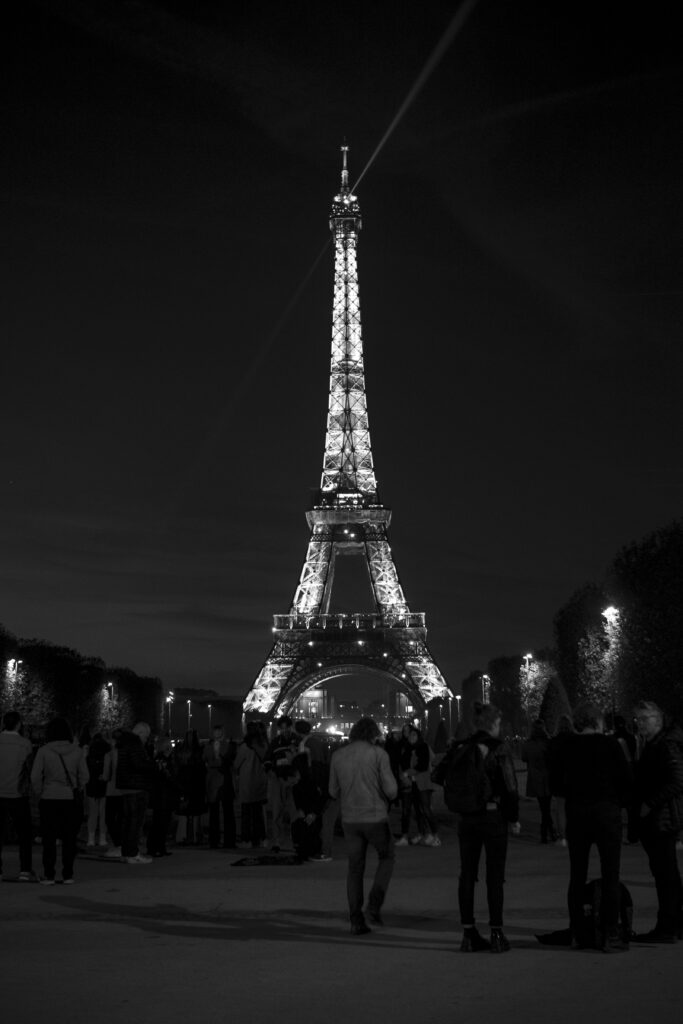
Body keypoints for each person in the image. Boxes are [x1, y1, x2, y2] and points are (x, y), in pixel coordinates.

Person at [550, 702, 633, 953]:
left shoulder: (565, 747)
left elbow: (557, 786)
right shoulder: (611, 745)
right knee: (611, 874)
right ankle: (610, 932)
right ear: (598, 723)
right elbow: (626, 783)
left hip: (577, 814)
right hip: (607, 813)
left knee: (577, 875)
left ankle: (578, 931)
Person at [454, 701, 520, 953]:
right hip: (493, 818)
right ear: (493, 723)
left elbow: (441, 776)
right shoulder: (498, 748)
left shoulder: (462, 747)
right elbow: (510, 787)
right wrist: (513, 818)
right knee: (495, 876)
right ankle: (496, 933)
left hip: (467, 819)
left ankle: (468, 934)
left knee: (467, 875)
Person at [328, 716, 397, 935]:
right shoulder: (378, 754)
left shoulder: (338, 755)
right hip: (375, 817)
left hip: (350, 819)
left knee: (355, 868)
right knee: (387, 857)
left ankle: (356, 920)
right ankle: (374, 906)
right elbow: (392, 790)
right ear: (373, 734)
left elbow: (332, 791)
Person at [631, 700, 683, 943]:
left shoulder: (665, 745)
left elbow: (677, 780)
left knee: (666, 876)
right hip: (657, 818)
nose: (639, 723)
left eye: (644, 719)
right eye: (638, 719)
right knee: (666, 874)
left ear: (658, 720)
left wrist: (649, 803)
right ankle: (673, 924)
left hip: (661, 819)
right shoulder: (654, 744)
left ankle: (667, 927)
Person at [30, 717, 89, 884]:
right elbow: (85, 776)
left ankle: (49, 874)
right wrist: (76, 786)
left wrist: (41, 791)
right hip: (69, 798)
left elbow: (35, 776)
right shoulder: (77, 751)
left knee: (49, 838)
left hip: (49, 797)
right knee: (69, 838)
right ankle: (68, 874)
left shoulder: (44, 751)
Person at [116, 722, 157, 864]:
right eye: (145, 737)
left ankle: (126, 852)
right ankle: (132, 853)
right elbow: (138, 764)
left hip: (126, 786)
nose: (146, 740)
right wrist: (153, 764)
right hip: (136, 786)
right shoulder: (134, 744)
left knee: (128, 821)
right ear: (140, 734)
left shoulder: (123, 743)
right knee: (135, 822)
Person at [0, 710, 34, 882]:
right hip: (18, 793)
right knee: (24, 834)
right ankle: (25, 870)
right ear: (19, 724)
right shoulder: (25, 744)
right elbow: (28, 769)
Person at [396, 726, 440, 847]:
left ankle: (435, 835)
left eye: (414, 735)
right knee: (419, 810)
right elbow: (403, 762)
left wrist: (407, 773)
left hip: (423, 784)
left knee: (426, 809)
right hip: (414, 784)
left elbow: (422, 765)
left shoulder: (423, 747)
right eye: (411, 736)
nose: (412, 737)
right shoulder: (408, 749)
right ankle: (423, 834)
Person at [264, 716, 299, 852]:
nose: (284, 731)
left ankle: (295, 841)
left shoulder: (297, 741)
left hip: (293, 781)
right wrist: (271, 772)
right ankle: (278, 842)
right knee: (277, 812)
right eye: (282, 728)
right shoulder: (275, 742)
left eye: (287, 728)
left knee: (294, 812)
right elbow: (267, 760)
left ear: (291, 727)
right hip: (278, 780)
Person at [234, 721, 269, 848]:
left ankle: (246, 840)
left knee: (246, 814)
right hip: (260, 783)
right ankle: (261, 838)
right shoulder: (263, 745)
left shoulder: (244, 747)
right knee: (258, 814)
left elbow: (236, 764)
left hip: (247, 783)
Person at [203, 724, 237, 849]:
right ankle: (225, 840)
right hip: (222, 779)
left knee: (219, 811)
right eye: (215, 732)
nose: (217, 734)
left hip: (217, 779)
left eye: (218, 732)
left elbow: (208, 761)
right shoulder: (227, 746)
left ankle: (218, 840)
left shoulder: (212, 746)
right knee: (224, 811)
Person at [522, 720, 555, 843]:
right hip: (547, 777)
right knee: (546, 807)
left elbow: (524, 757)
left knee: (543, 807)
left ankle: (546, 834)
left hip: (535, 777)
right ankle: (548, 833)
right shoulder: (548, 743)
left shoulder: (528, 744)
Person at [146, 735, 178, 858]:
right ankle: (156, 847)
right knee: (160, 823)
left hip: (162, 796)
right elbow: (168, 777)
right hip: (163, 796)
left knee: (160, 822)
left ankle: (158, 847)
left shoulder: (162, 759)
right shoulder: (162, 760)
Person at [174, 730, 207, 845]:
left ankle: (187, 836)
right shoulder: (198, 751)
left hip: (186, 783)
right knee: (194, 812)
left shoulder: (182, 751)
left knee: (187, 812)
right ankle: (194, 836)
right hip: (195, 784)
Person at [289, 753, 324, 860]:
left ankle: (308, 848)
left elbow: (317, 801)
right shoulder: (298, 787)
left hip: (311, 815)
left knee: (305, 827)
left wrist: (312, 814)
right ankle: (306, 848)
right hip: (307, 815)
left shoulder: (309, 784)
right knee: (300, 825)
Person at [85, 732, 110, 848]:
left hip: (91, 786)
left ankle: (91, 838)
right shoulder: (107, 756)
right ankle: (102, 838)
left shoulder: (89, 757)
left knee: (92, 814)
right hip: (104, 786)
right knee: (103, 814)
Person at [102, 729, 124, 858]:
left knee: (110, 819)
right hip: (123, 790)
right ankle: (122, 843)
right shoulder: (125, 754)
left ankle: (117, 844)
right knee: (121, 819)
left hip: (111, 790)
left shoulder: (109, 755)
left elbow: (106, 775)